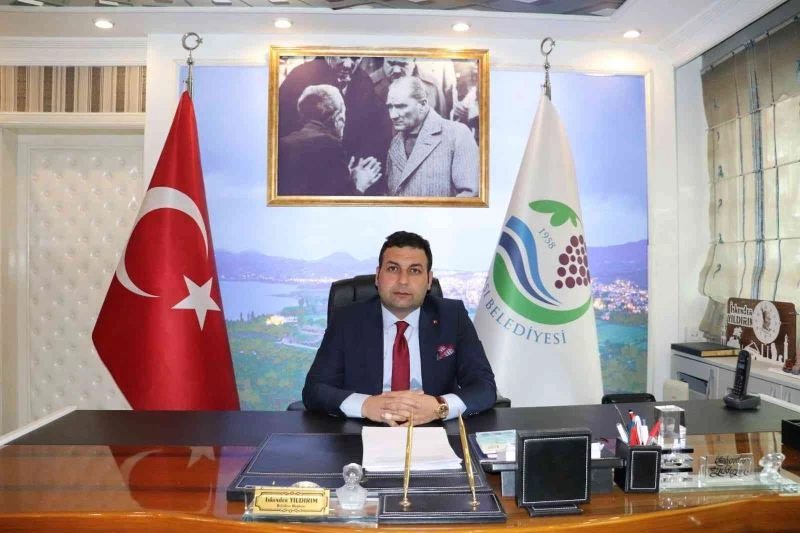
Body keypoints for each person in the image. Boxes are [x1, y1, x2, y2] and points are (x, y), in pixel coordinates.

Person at [302, 231, 497, 425]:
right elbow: (315, 389)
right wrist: (365, 405)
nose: (403, 281)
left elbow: (484, 386)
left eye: (415, 271)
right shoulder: (347, 320)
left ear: (429, 280)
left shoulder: (453, 317)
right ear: (378, 276)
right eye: (393, 269)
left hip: (432, 426)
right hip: (363, 428)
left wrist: (439, 406)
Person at [278, 56, 393, 193]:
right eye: (342, 57)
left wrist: (352, 175)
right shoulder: (300, 77)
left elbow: (373, 131)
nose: (348, 64)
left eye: (355, 58)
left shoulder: (363, 82)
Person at [278, 84, 381, 196]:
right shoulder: (330, 144)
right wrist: (359, 185)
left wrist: (345, 177)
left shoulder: (282, 144)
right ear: (338, 118)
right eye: (344, 116)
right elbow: (337, 204)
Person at [385, 76, 479, 197]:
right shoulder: (395, 143)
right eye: (390, 107)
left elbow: (471, 194)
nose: (393, 115)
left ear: (423, 105)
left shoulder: (457, 135)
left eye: (401, 106)